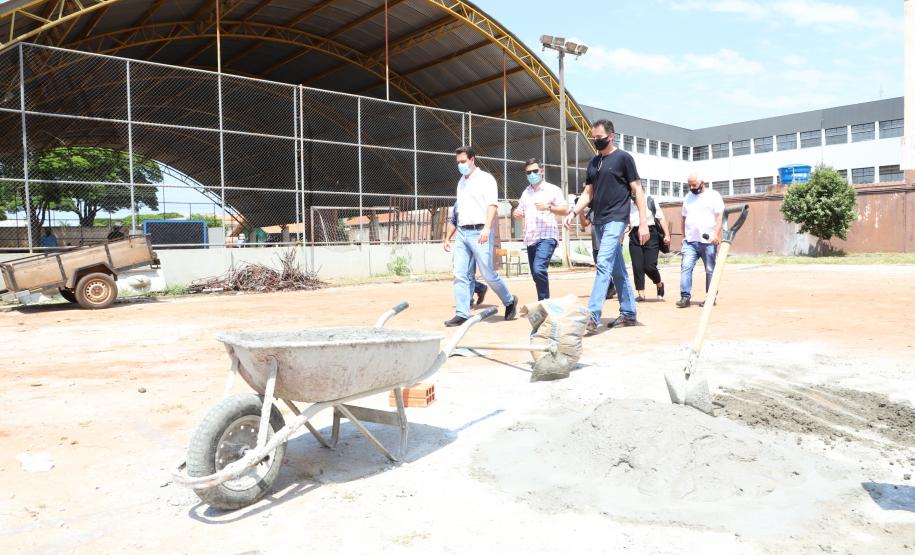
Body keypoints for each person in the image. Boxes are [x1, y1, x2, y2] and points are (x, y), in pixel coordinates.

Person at [564, 119, 649, 334]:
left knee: (602, 262)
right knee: (616, 267)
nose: (596, 141)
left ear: (611, 136)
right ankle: (629, 314)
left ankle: (591, 317)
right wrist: (574, 213)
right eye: (594, 138)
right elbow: (587, 194)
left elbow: (637, 190)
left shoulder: (624, 159)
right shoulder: (593, 162)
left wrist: (644, 222)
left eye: (600, 138)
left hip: (617, 219)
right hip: (599, 221)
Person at [444, 145, 518, 327]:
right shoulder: (461, 182)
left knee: (488, 273)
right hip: (463, 232)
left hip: (480, 232)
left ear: (472, 159)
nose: (460, 165)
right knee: (460, 274)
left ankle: (509, 301)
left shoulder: (486, 179)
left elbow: (492, 205)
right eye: (458, 162)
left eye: (463, 161)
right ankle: (462, 313)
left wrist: (486, 228)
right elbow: (458, 212)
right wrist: (449, 236)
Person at [512, 158, 567, 301]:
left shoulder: (553, 189)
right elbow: (519, 209)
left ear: (541, 171)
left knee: (539, 269)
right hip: (531, 239)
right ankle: (544, 302)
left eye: (535, 171)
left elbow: (565, 210)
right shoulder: (526, 192)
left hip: (547, 236)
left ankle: (544, 303)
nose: (532, 174)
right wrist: (516, 213)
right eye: (528, 172)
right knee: (536, 274)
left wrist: (549, 207)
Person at [677, 174, 724, 308]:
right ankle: (685, 297)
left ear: (702, 182)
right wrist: (683, 236)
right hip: (690, 241)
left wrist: (716, 234)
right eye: (689, 185)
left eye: (694, 185)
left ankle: (710, 297)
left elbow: (720, 216)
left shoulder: (713, 195)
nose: (692, 188)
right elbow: (683, 217)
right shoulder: (688, 197)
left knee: (710, 270)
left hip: (708, 241)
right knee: (686, 267)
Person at [444, 200, 488, 306]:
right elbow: (454, 221)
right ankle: (480, 288)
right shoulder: (458, 202)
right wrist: (447, 239)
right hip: (462, 240)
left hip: (476, 238)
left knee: (469, 272)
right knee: (460, 273)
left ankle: (468, 301)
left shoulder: (479, 200)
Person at [628, 194, 670, 301]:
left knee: (649, 266)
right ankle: (641, 294)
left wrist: (667, 234)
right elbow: (626, 221)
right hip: (634, 235)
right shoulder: (628, 203)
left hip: (651, 234)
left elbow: (661, 218)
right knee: (637, 266)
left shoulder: (650, 201)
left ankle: (659, 284)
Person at [578, 205, 616, 299]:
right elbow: (584, 223)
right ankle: (610, 288)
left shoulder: (608, 208)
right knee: (600, 267)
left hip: (607, 244)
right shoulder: (592, 211)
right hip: (596, 245)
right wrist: (580, 210)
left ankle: (610, 289)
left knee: (610, 268)